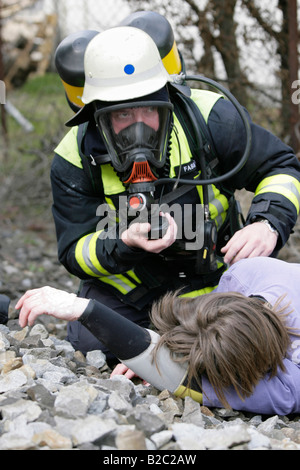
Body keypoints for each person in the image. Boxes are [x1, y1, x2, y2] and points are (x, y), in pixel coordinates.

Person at [51, 20, 300, 367]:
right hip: (134, 291)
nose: (139, 125)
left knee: (272, 337)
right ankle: (171, 348)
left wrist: (267, 223)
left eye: (150, 110)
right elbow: (74, 250)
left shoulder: (211, 118)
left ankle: (173, 348)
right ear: (96, 115)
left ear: (167, 97)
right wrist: (124, 243)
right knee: (92, 346)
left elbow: (280, 167)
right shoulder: (74, 157)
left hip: (220, 279)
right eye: (122, 114)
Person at [16, 256, 300, 415]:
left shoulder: (292, 385)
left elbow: (187, 382)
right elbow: (212, 323)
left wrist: (86, 310)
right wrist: (162, 344)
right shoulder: (246, 274)